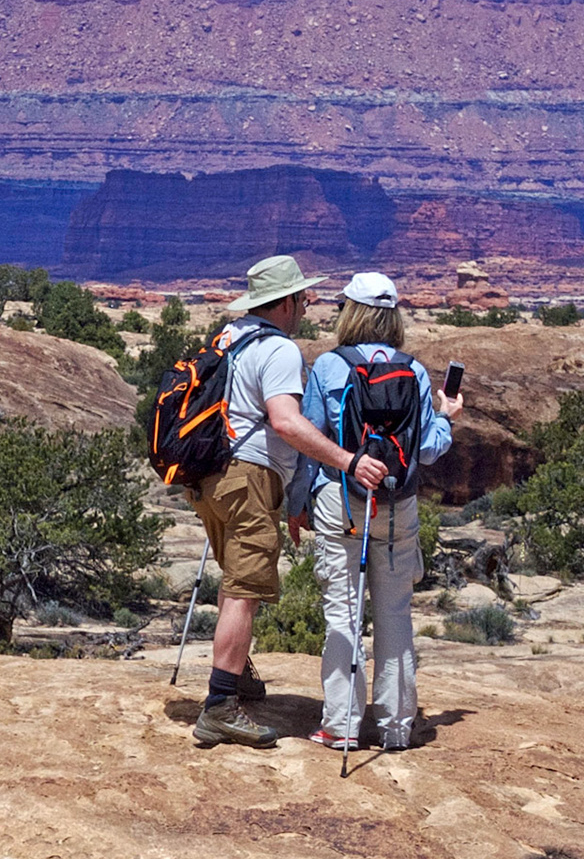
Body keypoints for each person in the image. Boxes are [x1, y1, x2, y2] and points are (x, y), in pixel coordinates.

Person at [188, 255, 387, 749]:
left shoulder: (229, 337)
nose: (307, 305)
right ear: (285, 303)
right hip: (248, 477)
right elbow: (286, 422)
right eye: (302, 297)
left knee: (236, 579)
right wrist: (347, 461)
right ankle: (220, 708)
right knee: (245, 590)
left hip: (208, 476)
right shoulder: (277, 348)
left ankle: (238, 678)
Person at [300, 271, 461, 752]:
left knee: (342, 614)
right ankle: (395, 727)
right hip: (398, 504)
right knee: (395, 614)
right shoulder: (414, 371)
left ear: (350, 312)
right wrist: (448, 418)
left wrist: (296, 505)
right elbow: (428, 449)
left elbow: (310, 443)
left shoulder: (329, 367)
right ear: (393, 316)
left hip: (340, 501)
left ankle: (342, 724)